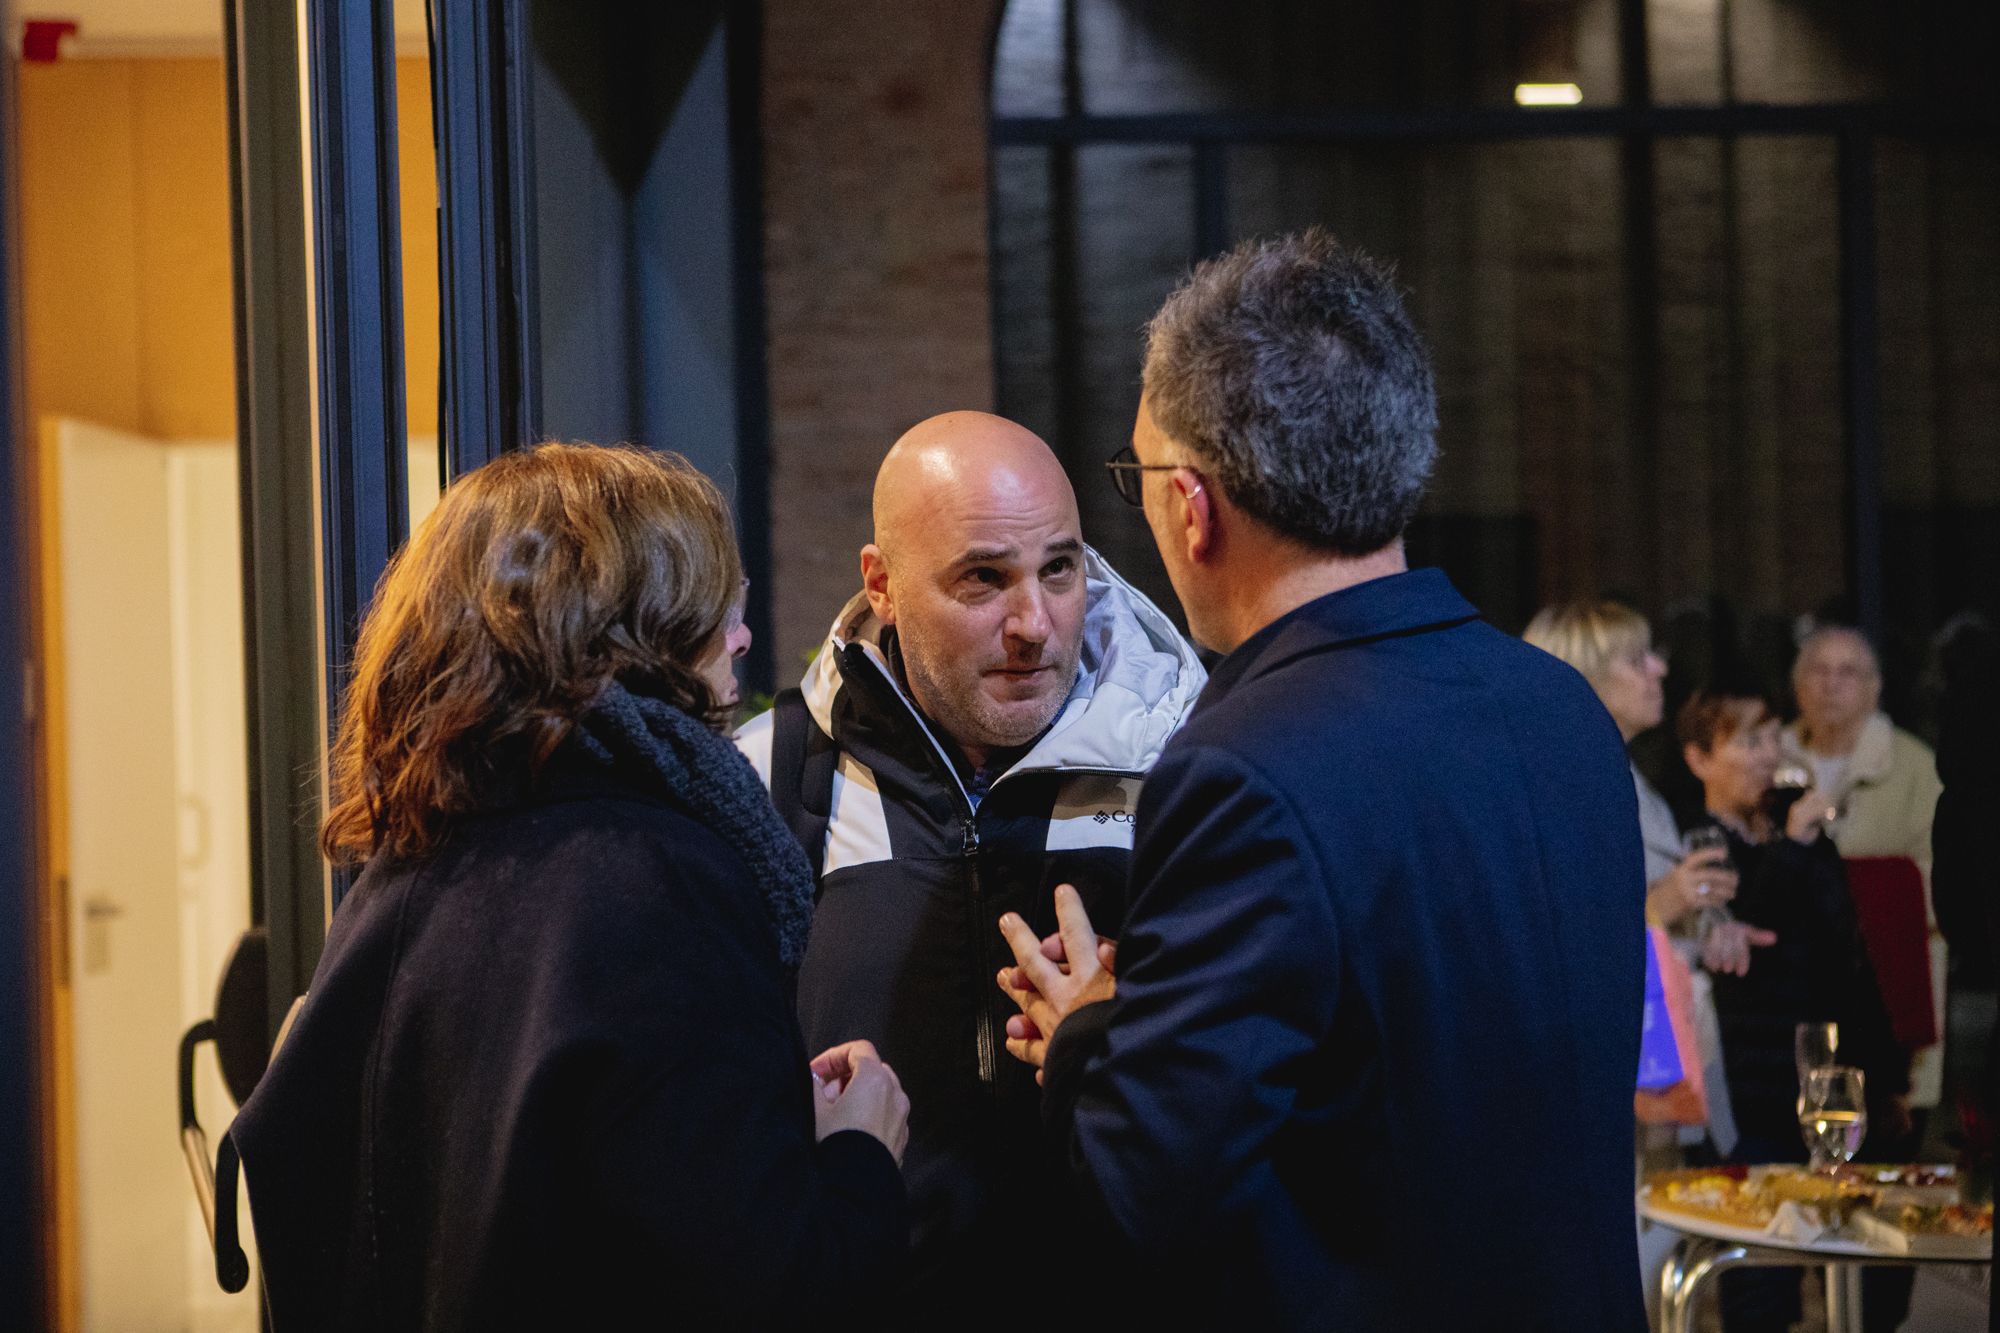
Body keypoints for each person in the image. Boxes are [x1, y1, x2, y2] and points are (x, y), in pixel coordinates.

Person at [993, 230, 1647, 1329]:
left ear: (1191, 506)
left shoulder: (1243, 764)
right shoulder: (1556, 705)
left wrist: (1087, 1034)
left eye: (1140, 476)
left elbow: (1145, 1198)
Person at [229, 443, 911, 1330]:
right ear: (632, 630)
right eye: (717, 609)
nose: (743, 636)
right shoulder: (658, 884)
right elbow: (767, 1287)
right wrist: (860, 1151)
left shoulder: (405, 872)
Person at [734, 412, 1203, 1318]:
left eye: (1059, 569)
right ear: (884, 585)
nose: (1033, 623)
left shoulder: (1191, 773)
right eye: (984, 578)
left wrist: (1123, 1028)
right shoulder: (771, 779)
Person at [1678, 684, 1908, 1331]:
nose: (1768, 754)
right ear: (1700, 758)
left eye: (1774, 736)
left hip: (1831, 1079)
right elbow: (1740, 943)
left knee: (1872, 1279)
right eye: (1749, 741)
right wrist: (1794, 846)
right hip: (1752, 1093)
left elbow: (1850, 958)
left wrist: (1886, 1074)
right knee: (1763, 1285)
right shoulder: (1699, 844)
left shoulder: (1796, 836)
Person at [1783, 622, 1948, 1108]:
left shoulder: (1914, 765)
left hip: (1888, 979)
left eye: (1848, 672)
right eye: (1819, 670)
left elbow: (1946, 873)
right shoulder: (1772, 759)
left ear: (1874, 689)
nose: (1832, 684)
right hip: (1800, 979)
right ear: (1797, 685)